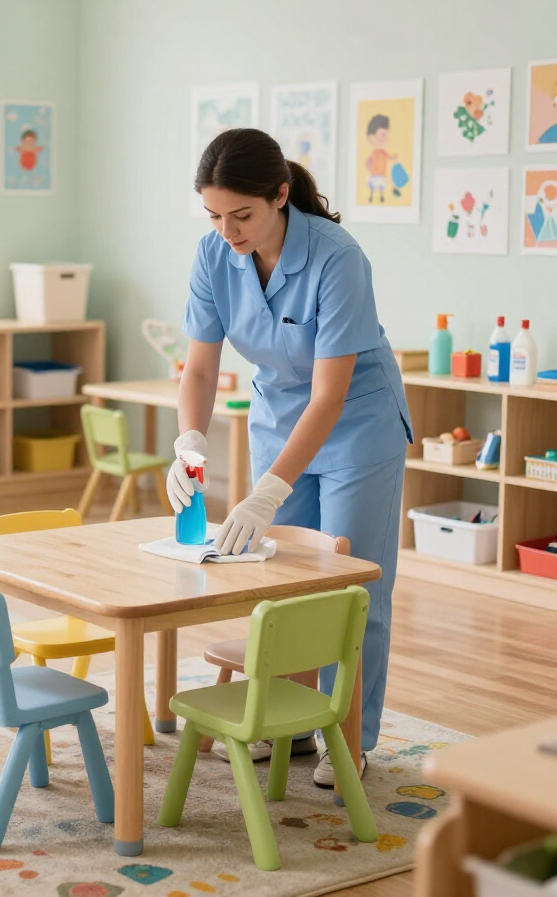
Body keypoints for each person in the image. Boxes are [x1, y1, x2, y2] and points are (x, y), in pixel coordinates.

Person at [167, 127, 412, 788]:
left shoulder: (336, 257)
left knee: (352, 585)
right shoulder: (213, 255)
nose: (228, 231)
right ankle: (290, 724)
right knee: (281, 583)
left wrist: (269, 489)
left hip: (357, 425)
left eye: (241, 215)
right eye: (215, 215)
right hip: (279, 422)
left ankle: (349, 741)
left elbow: (331, 393)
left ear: (280, 196)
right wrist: (190, 442)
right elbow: (197, 370)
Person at [364, 115, 396, 203]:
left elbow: (389, 157)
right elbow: (367, 163)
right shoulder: (373, 153)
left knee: (381, 186)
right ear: (372, 136)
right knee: (373, 185)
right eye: (382, 135)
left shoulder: (383, 152)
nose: (385, 139)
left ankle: (381, 196)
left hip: (382, 174)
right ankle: (372, 195)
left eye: (386, 135)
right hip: (375, 174)